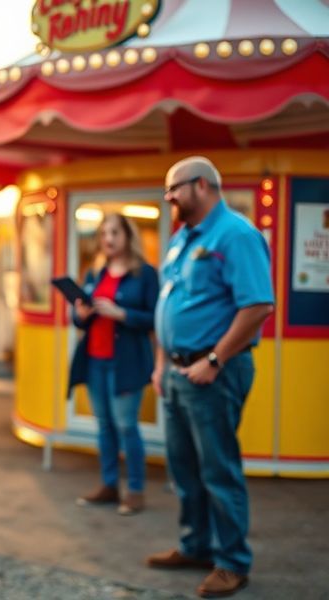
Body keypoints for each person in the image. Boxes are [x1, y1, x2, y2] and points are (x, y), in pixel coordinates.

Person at [146, 157, 274, 598]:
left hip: (214, 373)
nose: (169, 199)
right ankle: (195, 546)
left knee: (218, 469)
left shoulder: (236, 235)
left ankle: (233, 563)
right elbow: (169, 306)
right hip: (179, 372)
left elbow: (258, 306)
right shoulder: (182, 240)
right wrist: (163, 364)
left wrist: (215, 360)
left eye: (174, 190)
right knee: (185, 468)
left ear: (202, 185)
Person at [68, 213, 159, 515]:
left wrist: (121, 314)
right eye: (104, 233)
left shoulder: (145, 274)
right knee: (104, 427)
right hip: (95, 360)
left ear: (128, 237)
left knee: (126, 426)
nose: (108, 239)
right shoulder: (95, 273)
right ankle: (109, 484)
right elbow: (79, 318)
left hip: (127, 363)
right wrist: (80, 315)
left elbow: (155, 318)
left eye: (114, 233)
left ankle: (135, 490)